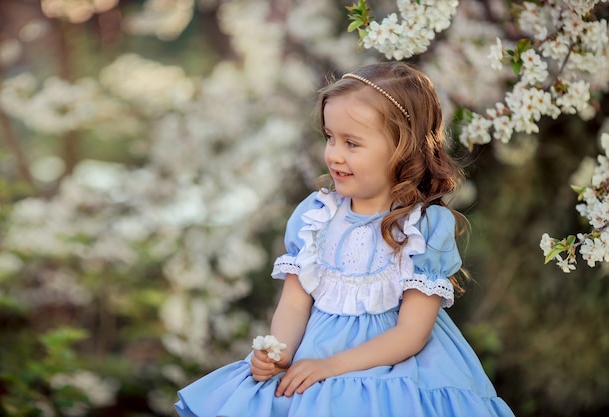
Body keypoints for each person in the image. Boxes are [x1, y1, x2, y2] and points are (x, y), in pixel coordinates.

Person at [174, 62, 515, 417]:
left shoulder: (423, 227)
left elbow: (411, 334)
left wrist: (332, 367)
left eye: (352, 143)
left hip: (391, 370)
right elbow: (293, 304)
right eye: (329, 137)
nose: (334, 154)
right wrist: (280, 352)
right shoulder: (316, 217)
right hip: (313, 360)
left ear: (403, 147)